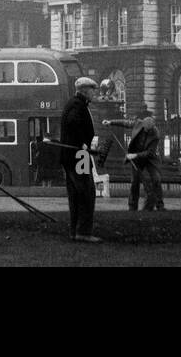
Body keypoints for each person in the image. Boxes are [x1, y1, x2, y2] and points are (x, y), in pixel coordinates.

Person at [61, 76, 101, 242]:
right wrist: (83, 144)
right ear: (85, 91)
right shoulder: (78, 106)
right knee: (86, 192)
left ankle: (75, 231)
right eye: (92, 90)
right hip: (80, 156)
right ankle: (83, 232)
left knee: (76, 195)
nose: (94, 93)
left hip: (73, 156)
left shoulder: (74, 104)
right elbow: (73, 123)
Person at [104, 107, 164, 210]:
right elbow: (125, 122)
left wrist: (135, 155)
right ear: (143, 125)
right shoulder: (138, 124)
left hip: (149, 159)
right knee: (134, 182)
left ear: (152, 128)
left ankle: (160, 206)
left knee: (156, 179)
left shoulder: (155, 134)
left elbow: (149, 153)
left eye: (149, 130)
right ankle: (132, 207)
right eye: (145, 129)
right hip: (136, 158)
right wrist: (110, 122)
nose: (147, 131)